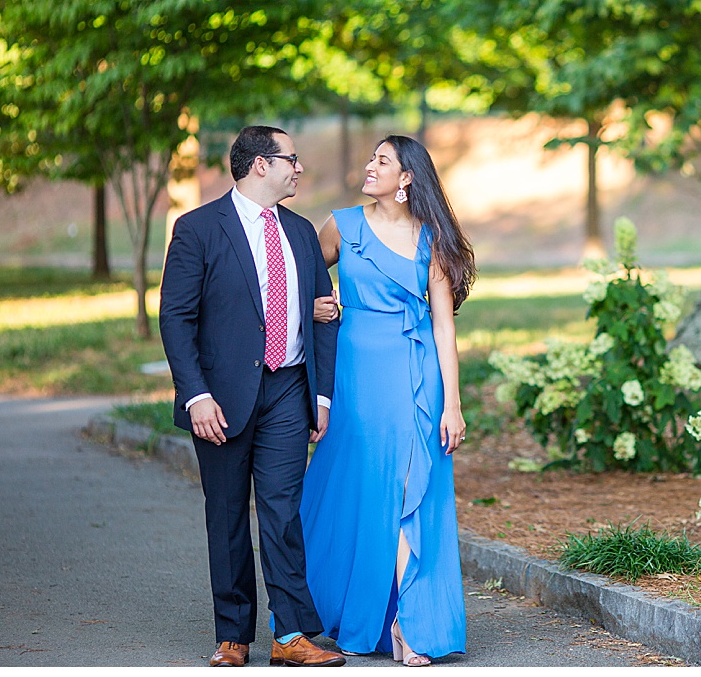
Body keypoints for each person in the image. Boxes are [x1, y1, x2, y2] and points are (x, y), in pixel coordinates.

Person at [159, 125, 346, 668]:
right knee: (226, 515)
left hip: (289, 388)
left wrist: (323, 396)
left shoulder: (302, 230)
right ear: (260, 165)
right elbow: (176, 317)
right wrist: (195, 396)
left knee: (284, 513)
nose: (300, 168)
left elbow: (323, 312)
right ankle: (233, 634)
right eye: (292, 159)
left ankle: (290, 634)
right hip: (219, 397)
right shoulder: (197, 229)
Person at [301, 134, 475, 664]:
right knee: (358, 487)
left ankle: (407, 621)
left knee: (407, 486)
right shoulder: (341, 226)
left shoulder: (432, 240)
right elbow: (300, 281)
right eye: (372, 157)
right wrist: (317, 307)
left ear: (407, 180)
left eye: (383, 161)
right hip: (355, 376)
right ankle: (346, 610)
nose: (370, 166)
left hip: (416, 375)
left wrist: (453, 404)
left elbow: (444, 327)